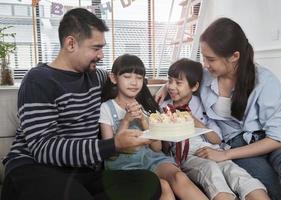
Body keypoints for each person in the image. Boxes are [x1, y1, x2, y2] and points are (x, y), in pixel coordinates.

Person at [1, 8, 162, 200]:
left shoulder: (97, 76)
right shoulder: (39, 81)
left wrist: (167, 87)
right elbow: (44, 149)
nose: (101, 55)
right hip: (34, 168)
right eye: (96, 48)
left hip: (80, 172)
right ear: (71, 43)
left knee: (148, 183)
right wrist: (113, 145)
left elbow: (128, 79)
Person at [156, 18, 281, 200]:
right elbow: (182, 79)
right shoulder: (206, 77)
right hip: (237, 143)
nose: (205, 64)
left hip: (268, 140)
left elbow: (277, 138)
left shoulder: (264, 81)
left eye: (211, 59)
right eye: (203, 57)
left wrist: (225, 154)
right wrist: (164, 87)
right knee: (267, 184)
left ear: (234, 56)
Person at [99, 54, 208, 200]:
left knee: (178, 176)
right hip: (124, 164)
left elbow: (157, 148)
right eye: (127, 77)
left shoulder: (146, 107)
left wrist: (144, 121)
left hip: (150, 158)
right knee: (163, 186)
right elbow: (110, 152)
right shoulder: (107, 108)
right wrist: (125, 121)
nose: (134, 83)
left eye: (139, 78)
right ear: (114, 78)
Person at [160, 58, 270, 200]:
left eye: (178, 83)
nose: (172, 86)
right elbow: (163, 147)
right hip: (185, 153)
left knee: (236, 173)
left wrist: (196, 122)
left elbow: (217, 139)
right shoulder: (163, 108)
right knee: (210, 169)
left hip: (210, 148)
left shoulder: (202, 103)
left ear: (194, 87)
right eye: (170, 81)